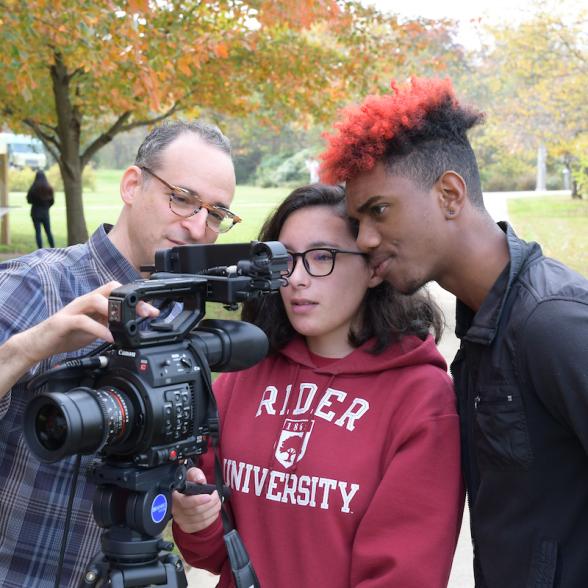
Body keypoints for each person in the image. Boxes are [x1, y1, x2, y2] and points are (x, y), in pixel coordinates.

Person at [320, 76, 588, 588]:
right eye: (357, 222)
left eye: (378, 211)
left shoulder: (553, 322)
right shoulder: (483, 323)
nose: (367, 239)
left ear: (449, 194)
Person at [172, 184, 463, 587]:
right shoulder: (243, 375)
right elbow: (212, 553)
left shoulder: (421, 399)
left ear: (375, 267)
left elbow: (403, 576)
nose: (296, 279)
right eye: (284, 260)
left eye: (322, 257)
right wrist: (196, 521)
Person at [0, 119, 239, 588]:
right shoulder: (36, 285)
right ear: (133, 185)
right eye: (183, 198)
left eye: (215, 213)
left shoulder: (181, 320)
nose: (197, 227)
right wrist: (31, 346)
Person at [27, 169, 55, 248]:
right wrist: (46, 207)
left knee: (38, 232)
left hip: (35, 213)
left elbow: (29, 200)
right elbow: (52, 201)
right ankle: (53, 248)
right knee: (48, 232)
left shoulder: (33, 188)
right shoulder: (49, 188)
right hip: (45, 213)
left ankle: (40, 249)